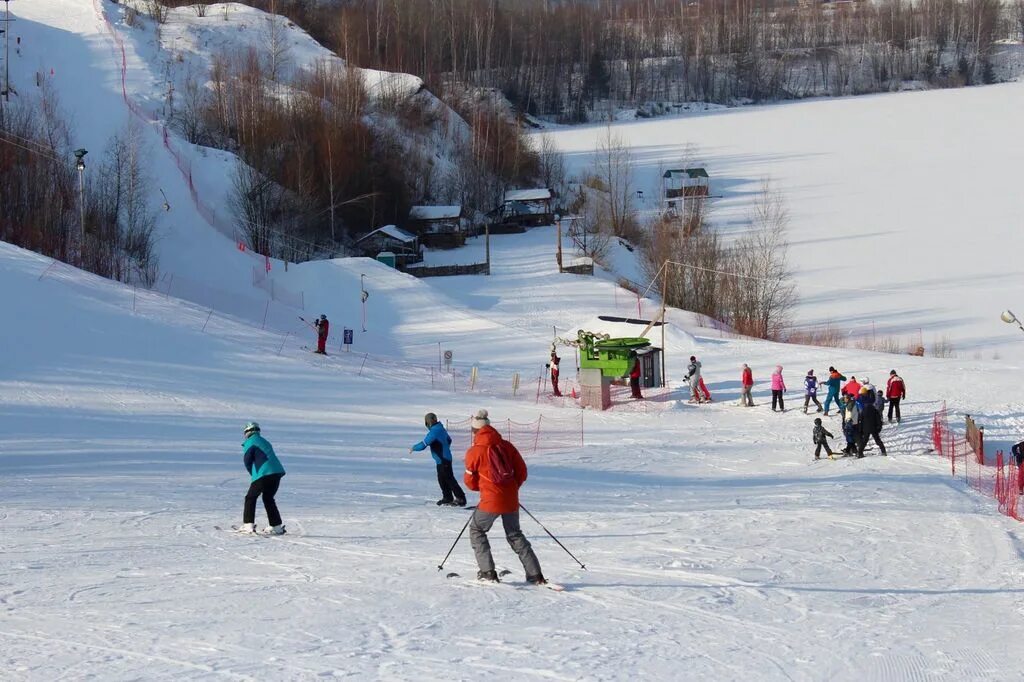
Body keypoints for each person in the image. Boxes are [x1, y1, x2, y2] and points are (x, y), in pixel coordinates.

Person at [463, 409, 545, 584]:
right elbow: (522, 471)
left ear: (475, 431)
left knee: (477, 530)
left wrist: (485, 489)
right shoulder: (507, 446)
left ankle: (487, 572)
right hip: (511, 498)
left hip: (490, 500)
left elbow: (469, 482)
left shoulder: (474, 451)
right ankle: (535, 574)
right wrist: (512, 488)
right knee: (515, 534)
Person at [239, 422, 286, 534]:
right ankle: (276, 526)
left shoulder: (250, 442)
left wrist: (253, 475)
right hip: (277, 472)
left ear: (247, 432)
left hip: (264, 473)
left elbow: (247, 461)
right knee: (268, 498)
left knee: (250, 497)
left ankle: (248, 525)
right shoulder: (264, 441)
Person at [411, 413, 466, 507]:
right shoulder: (440, 429)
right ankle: (447, 497)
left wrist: (413, 448)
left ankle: (461, 498)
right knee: (442, 479)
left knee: (449, 478)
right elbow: (449, 440)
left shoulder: (434, 431)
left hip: (443, 459)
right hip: (442, 459)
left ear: (427, 422)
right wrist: (445, 447)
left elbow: (424, 444)